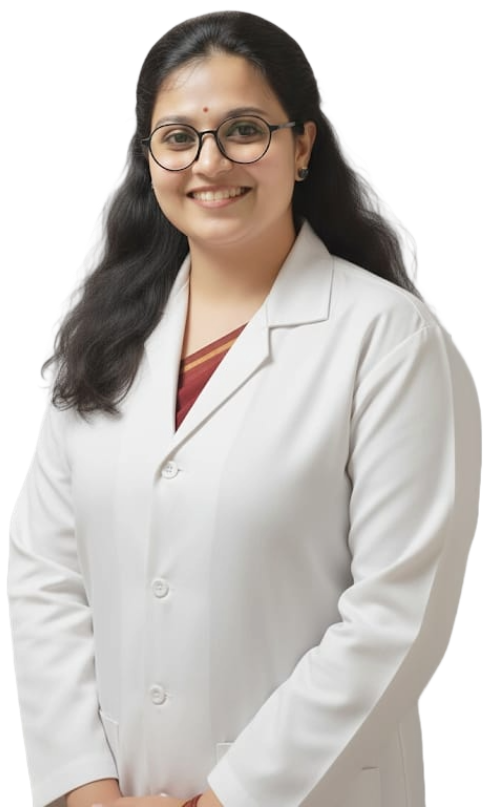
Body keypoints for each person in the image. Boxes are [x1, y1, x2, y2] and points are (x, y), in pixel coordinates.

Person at [7, 9, 482, 807]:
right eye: (178, 137)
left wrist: (230, 799)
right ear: (149, 157)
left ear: (303, 145)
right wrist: (85, 788)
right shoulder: (102, 341)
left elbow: (398, 614)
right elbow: (45, 575)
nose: (210, 162)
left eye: (244, 130)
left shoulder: (388, 340)